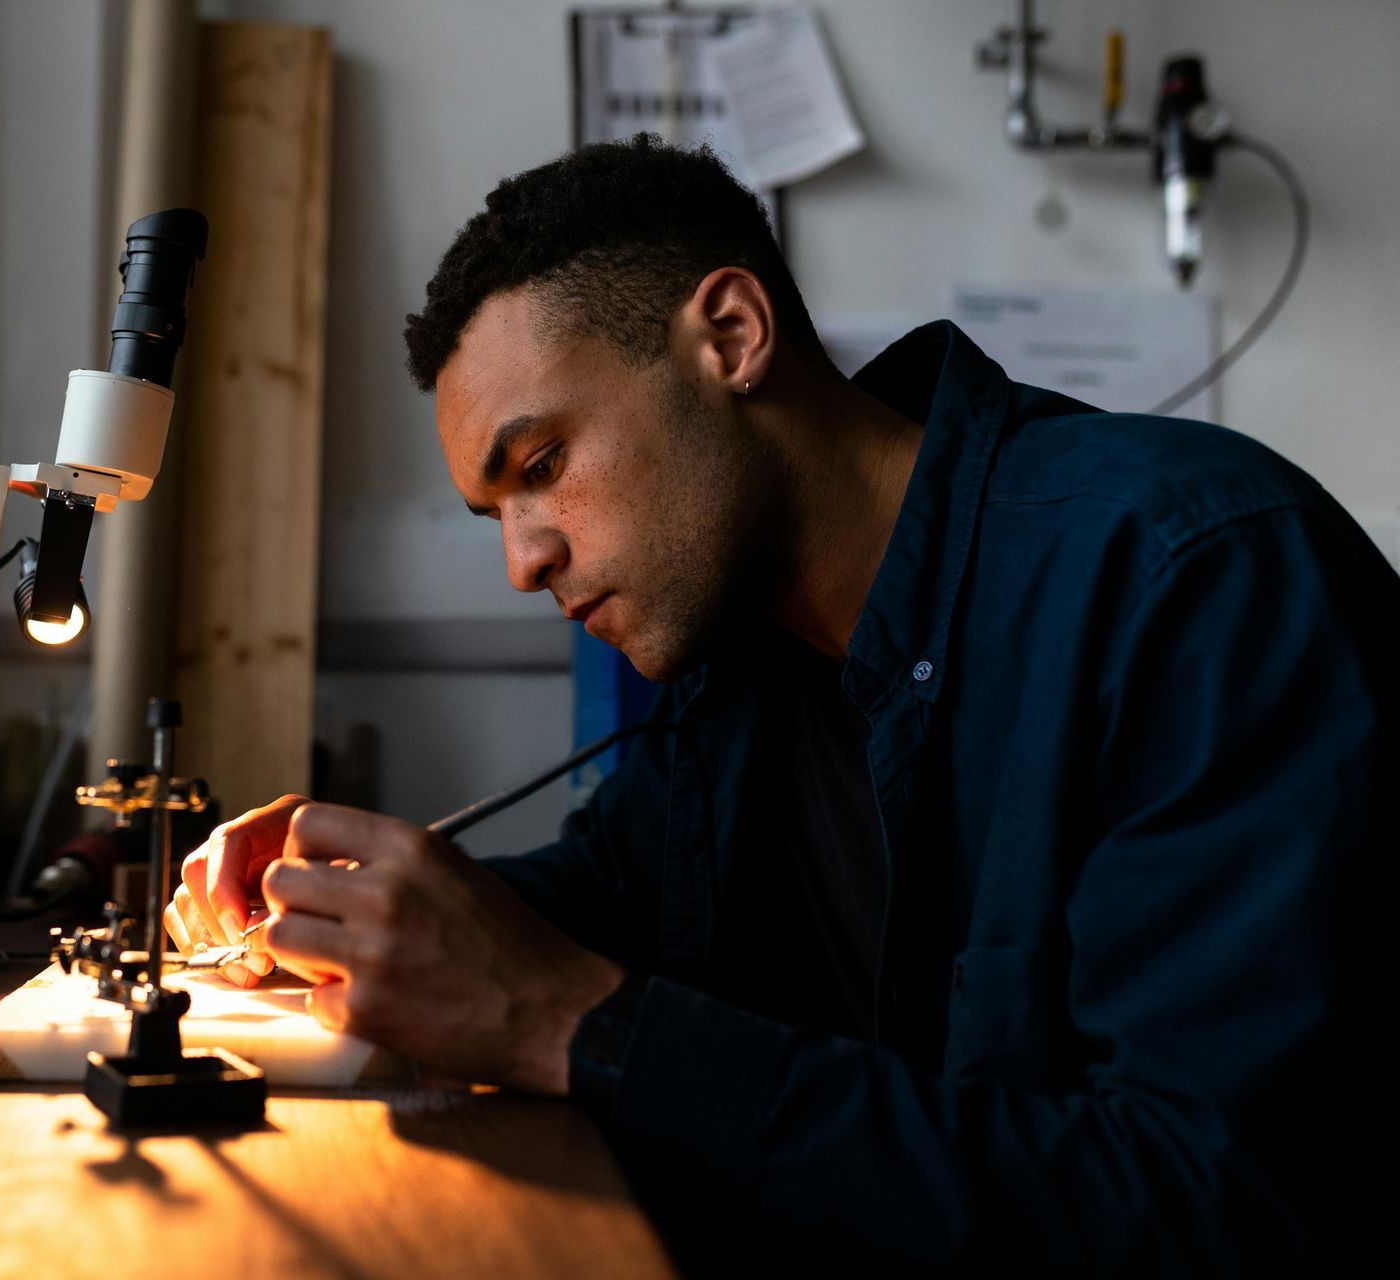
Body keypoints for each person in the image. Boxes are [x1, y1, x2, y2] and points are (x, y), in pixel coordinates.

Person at [165, 134, 1397, 1270]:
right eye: (498, 513)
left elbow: (1212, 1210)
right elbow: (602, 898)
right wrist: (332, 912)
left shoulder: (1195, 579)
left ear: (734, 335)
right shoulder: (735, 668)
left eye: (542, 467)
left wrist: (572, 1024)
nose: (524, 560)